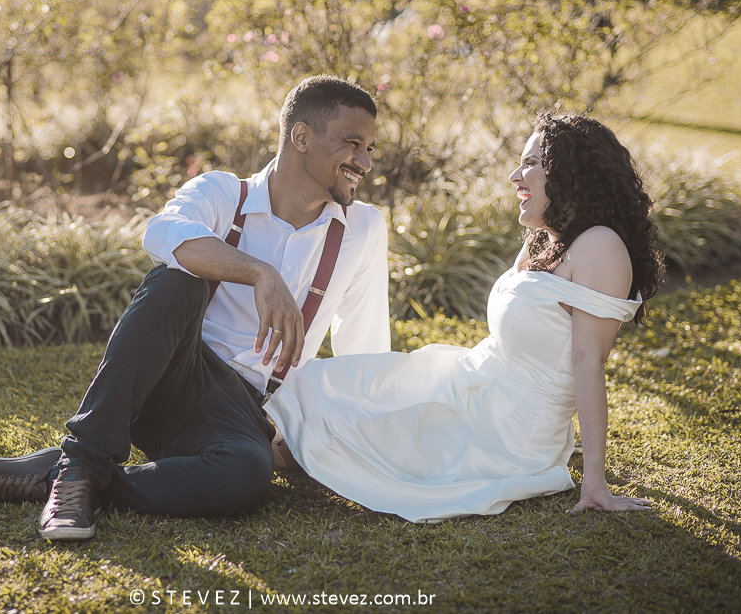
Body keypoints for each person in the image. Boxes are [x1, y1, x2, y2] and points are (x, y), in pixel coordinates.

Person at [0, 75, 391, 539]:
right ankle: (83, 460)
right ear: (301, 136)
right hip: (168, 377)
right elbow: (164, 234)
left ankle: (71, 478)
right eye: (352, 143)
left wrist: (346, 439)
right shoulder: (224, 194)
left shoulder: (362, 229)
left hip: (242, 414)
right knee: (178, 280)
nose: (363, 162)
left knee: (245, 477)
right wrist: (262, 273)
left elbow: (364, 350)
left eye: (370, 149)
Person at [266, 112, 663, 522]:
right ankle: (247, 439)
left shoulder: (600, 246)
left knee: (344, 427)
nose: (515, 175)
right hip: (472, 382)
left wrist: (594, 480)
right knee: (323, 388)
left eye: (531, 163)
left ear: (572, 172)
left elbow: (588, 361)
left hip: (501, 436)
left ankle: (243, 450)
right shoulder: (548, 238)